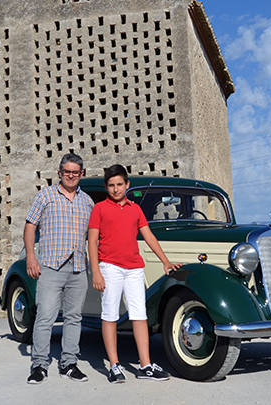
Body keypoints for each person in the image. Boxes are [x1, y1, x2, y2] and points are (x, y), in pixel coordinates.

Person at [88, 164, 182, 383]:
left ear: (127, 185)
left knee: (139, 315)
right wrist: (96, 272)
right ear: (106, 187)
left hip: (134, 268)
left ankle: (145, 365)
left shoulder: (135, 209)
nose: (116, 189)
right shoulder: (99, 209)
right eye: (111, 185)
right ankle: (114, 366)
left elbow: (148, 236)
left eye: (120, 184)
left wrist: (165, 261)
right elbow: (92, 241)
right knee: (110, 314)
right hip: (109, 267)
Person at [25, 153, 94, 384]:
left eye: (75, 172)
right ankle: (39, 365)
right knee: (45, 316)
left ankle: (69, 364)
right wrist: (31, 258)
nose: (71, 175)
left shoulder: (87, 202)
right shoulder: (45, 196)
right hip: (50, 267)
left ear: (81, 174)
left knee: (74, 318)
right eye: (67, 172)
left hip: (77, 268)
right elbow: (30, 227)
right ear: (59, 173)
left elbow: (93, 236)